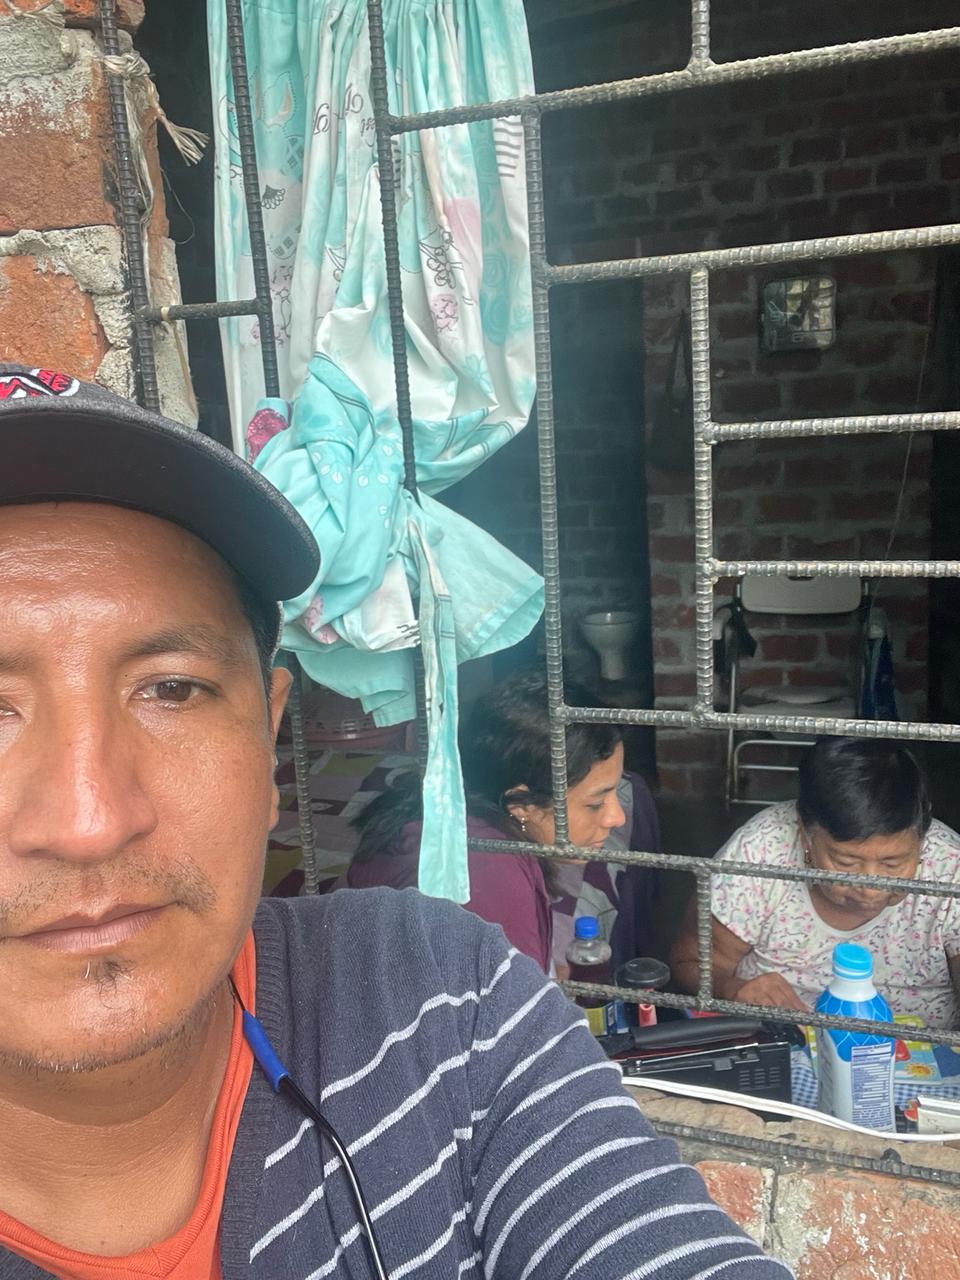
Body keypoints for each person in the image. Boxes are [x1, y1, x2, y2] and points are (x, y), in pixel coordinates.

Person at [0, 364, 792, 1279]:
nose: (90, 821)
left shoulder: (439, 999)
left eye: (172, 689)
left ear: (267, 740)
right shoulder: (490, 880)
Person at [342, 671, 661, 974]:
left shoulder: (455, 815)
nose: (616, 817)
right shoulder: (488, 879)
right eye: (595, 803)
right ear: (520, 805)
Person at [671, 737, 960, 1028]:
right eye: (846, 862)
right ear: (805, 833)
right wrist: (732, 989)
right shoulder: (760, 850)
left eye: (893, 863)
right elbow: (689, 963)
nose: (871, 889)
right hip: (784, 1042)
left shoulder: (950, 866)